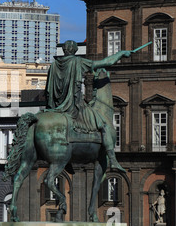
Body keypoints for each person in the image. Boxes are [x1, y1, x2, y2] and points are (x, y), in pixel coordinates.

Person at [45, 40, 131, 172]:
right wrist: (121, 53)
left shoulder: (54, 65)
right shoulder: (78, 62)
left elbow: (48, 91)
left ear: (64, 50)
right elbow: (106, 62)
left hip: (56, 107)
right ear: (74, 50)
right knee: (103, 124)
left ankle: (65, 158)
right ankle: (113, 160)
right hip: (73, 106)